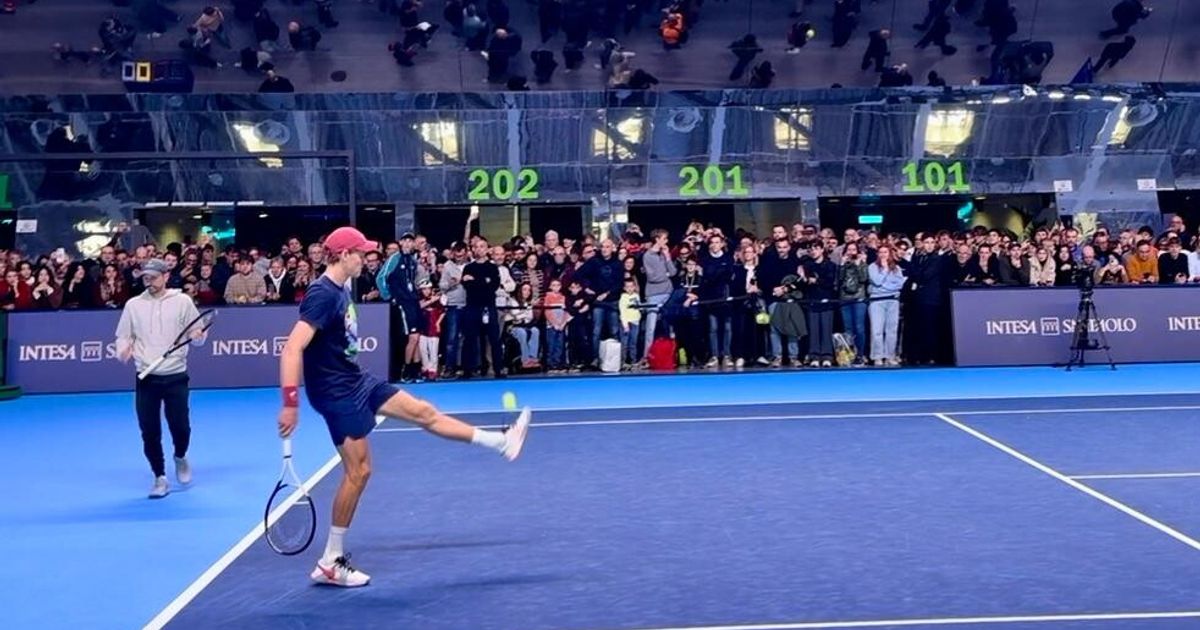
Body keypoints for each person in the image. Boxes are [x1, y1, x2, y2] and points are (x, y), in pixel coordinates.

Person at [277, 227, 530, 587]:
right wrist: (289, 404)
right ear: (344, 254)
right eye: (361, 253)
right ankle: (331, 560)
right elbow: (291, 348)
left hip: (356, 380)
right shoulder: (321, 293)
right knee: (359, 472)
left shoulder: (341, 287)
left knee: (423, 412)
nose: (366, 258)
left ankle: (502, 442)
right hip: (336, 392)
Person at [115, 259, 208, 498]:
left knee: (181, 427)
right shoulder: (133, 305)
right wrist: (122, 349)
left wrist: (198, 336)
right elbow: (123, 336)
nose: (149, 282)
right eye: (146, 278)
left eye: (154, 277)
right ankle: (160, 477)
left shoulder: (183, 301)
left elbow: (196, 334)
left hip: (176, 375)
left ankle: (180, 456)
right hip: (146, 377)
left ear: (166, 276)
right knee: (149, 430)